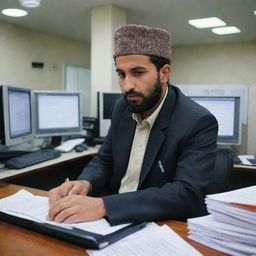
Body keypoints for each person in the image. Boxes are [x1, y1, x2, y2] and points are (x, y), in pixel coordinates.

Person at [47, 24, 218, 226]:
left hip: (157, 224)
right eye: (121, 74)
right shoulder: (122, 107)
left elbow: (187, 194)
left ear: (164, 73)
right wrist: (86, 183)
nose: (127, 85)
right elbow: (105, 160)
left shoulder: (197, 121)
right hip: (105, 222)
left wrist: (104, 206)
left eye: (138, 73)